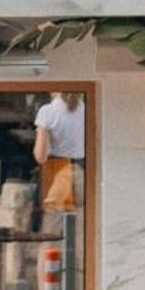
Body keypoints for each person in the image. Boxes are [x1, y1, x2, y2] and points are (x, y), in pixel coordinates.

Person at [34, 90, 86, 218]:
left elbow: (40, 156)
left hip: (57, 171)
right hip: (83, 171)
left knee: (52, 224)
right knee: (81, 225)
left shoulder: (48, 111)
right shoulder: (86, 108)